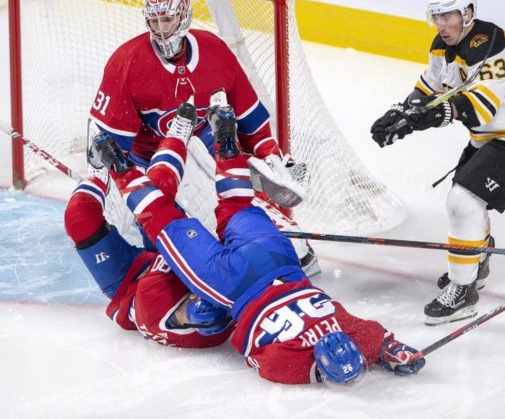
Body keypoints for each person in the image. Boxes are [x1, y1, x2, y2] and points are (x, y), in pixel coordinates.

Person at [85, 104, 426, 386]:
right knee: (163, 219)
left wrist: (389, 349)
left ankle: (227, 145)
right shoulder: (292, 368)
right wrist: (375, 355)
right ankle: (120, 166)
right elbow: (257, 356)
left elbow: (375, 339)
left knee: (238, 206)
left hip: (279, 260)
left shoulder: (349, 330)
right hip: (235, 283)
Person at [88, 0, 317, 274]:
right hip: (153, 157)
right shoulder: (128, 62)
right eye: (154, 20)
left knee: (238, 188)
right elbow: (110, 143)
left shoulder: (213, 50)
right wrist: (123, 183)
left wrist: (269, 154)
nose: (161, 28)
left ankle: (279, 241)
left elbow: (250, 117)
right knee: (164, 236)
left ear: (183, 16)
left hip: (205, 141)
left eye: (167, 19)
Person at [370, 0, 505, 326]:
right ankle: (479, 258)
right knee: (468, 201)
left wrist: (427, 118)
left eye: (449, 16)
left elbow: (478, 107)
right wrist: (402, 113)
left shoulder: (492, 44)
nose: (442, 25)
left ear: (468, 13)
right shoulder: (441, 45)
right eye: (436, 17)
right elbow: (430, 86)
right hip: (489, 135)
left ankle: (464, 290)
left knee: (463, 201)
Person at [65, 105, 234, 348]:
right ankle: (176, 137)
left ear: (188, 322)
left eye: (192, 298)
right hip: (169, 263)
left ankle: (98, 171)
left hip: (126, 282)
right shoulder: (219, 301)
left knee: (79, 217)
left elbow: (169, 247)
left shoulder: (154, 305)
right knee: (155, 193)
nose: (195, 292)